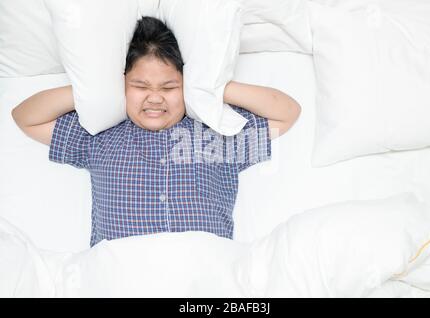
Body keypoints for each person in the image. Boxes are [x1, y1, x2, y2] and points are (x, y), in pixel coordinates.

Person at [11, 17, 301, 248]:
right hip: (122, 274)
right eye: (140, 86)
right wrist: (98, 91)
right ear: (122, 85)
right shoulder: (100, 137)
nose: (154, 98)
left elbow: (286, 114)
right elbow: (26, 117)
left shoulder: (217, 136)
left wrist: (209, 89)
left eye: (169, 87)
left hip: (203, 273)